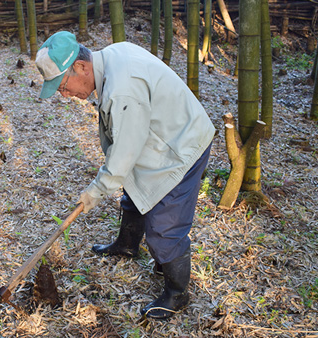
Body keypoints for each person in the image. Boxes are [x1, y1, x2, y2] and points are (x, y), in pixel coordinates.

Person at [35, 31, 215, 320]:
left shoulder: (122, 88)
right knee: (135, 194)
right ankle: (128, 245)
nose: (65, 95)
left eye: (63, 86)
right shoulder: (110, 57)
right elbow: (124, 143)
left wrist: (96, 190)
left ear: (81, 67)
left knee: (164, 230)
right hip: (161, 135)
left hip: (182, 145)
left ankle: (177, 292)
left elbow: (125, 153)